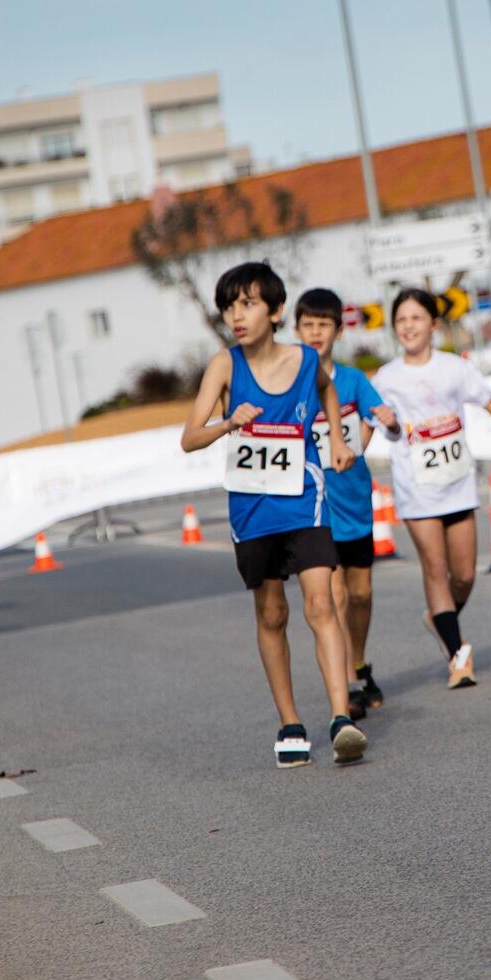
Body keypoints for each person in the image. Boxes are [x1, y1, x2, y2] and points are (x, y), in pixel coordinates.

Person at [180, 262, 366, 768]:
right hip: (252, 507)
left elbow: (328, 388)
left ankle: (340, 719)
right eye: (228, 307)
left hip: (304, 496)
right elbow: (188, 438)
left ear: (276, 310)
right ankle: (289, 723)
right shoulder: (224, 365)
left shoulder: (306, 360)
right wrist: (226, 421)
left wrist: (339, 438)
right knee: (272, 612)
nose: (236, 316)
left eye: (248, 304)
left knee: (321, 603)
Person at [371, 287, 491, 690]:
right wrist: (392, 426)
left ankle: (440, 617)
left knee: (465, 574)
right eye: (401, 321)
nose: (408, 327)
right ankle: (458, 655)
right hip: (416, 487)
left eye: (416, 319)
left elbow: (486, 398)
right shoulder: (387, 378)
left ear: (433, 324)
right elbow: (384, 424)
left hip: (456, 482)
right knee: (436, 569)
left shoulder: (454, 368)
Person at [292, 288, 400, 718]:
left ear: (338, 330)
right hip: (313, 509)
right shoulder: (290, 382)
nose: (315, 332)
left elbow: (381, 420)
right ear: (296, 329)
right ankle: (344, 685)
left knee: (360, 593)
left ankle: (357, 661)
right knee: (332, 595)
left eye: (323, 325)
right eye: (307, 325)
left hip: (354, 500)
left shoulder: (354, 381)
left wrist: (385, 423)